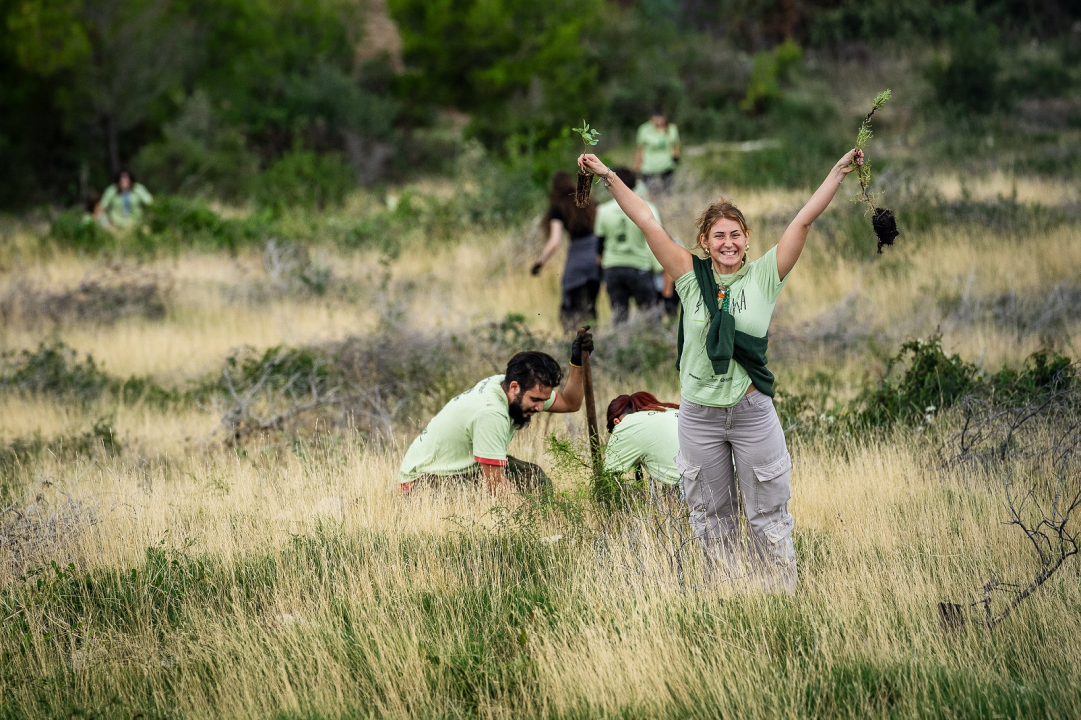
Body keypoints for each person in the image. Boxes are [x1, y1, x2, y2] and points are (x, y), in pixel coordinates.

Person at [578, 147, 864, 594]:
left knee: (768, 513)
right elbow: (648, 223)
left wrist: (838, 172)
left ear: (747, 239)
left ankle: (778, 599)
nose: (727, 243)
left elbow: (802, 221)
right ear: (705, 243)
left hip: (751, 411)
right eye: (718, 236)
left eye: (735, 234)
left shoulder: (765, 276)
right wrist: (607, 175)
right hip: (699, 416)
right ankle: (726, 600)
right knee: (711, 519)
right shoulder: (689, 277)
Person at [399, 334, 593, 495]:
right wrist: (531, 525)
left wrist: (577, 363)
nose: (540, 408)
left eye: (544, 400)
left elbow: (570, 403)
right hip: (421, 485)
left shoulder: (504, 384)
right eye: (535, 400)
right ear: (515, 387)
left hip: (457, 470)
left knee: (533, 476)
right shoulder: (491, 413)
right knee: (482, 501)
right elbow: (496, 485)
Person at [594, 166, 666, 323]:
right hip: (639, 266)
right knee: (652, 317)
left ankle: (620, 347)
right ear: (634, 185)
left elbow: (599, 246)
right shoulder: (648, 208)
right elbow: (659, 240)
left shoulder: (603, 211)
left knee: (619, 317)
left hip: (613, 267)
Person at [531, 172, 602, 331]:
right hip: (596, 257)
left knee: (572, 305)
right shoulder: (588, 200)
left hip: (577, 258)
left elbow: (555, 242)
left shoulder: (558, 208)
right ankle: (595, 338)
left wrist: (539, 262)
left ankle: (573, 339)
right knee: (591, 305)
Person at [604, 392, 681, 487]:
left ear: (616, 422)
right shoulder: (669, 410)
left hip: (689, 485)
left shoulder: (626, 425)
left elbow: (608, 477)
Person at [634, 107, 680, 197]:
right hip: (649, 167)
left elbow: (675, 145)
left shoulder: (671, 128)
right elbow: (640, 150)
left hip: (667, 166)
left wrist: (676, 157)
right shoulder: (644, 129)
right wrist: (637, 167)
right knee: (652, 193)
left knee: (668, 192)